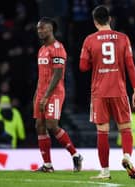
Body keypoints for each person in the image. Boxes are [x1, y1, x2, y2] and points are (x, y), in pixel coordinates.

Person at [79, 5, 135, 180]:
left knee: (102, 131)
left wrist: (93, 61)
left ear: (95, 22)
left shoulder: (90, 40)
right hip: (119, 89)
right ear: (110, 19)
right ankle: (127, 156)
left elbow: (83, 67)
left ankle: (105, 171)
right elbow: (130, 65)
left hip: (99, 91)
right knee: (125, 128)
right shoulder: (123, 38)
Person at [34, 17, 82, 172]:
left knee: (52, 125)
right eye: (38, 28)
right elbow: (41, 76)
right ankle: (48, 165)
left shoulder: (58, 48)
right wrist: (37, 95)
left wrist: (46, 95)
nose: (40, 31)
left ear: (51, 29)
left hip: (54, 93)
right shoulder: (41, 50)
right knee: (39, 126)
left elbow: (58, 73)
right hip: (41, 93)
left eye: (43, 28)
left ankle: (75, 155)